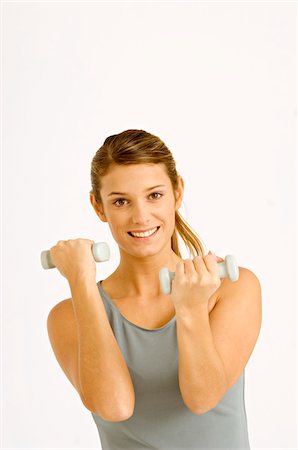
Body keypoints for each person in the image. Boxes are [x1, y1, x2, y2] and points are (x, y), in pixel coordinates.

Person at [47, 129, 262, 450]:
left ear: (178, 192)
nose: (141, 216)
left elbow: (202, 398)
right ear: (99, 207)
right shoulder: (68, 315)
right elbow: (114, 406)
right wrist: (81, 283)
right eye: (121, 201)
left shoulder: (232, 289)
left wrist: (190, 310)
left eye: (155, 195)